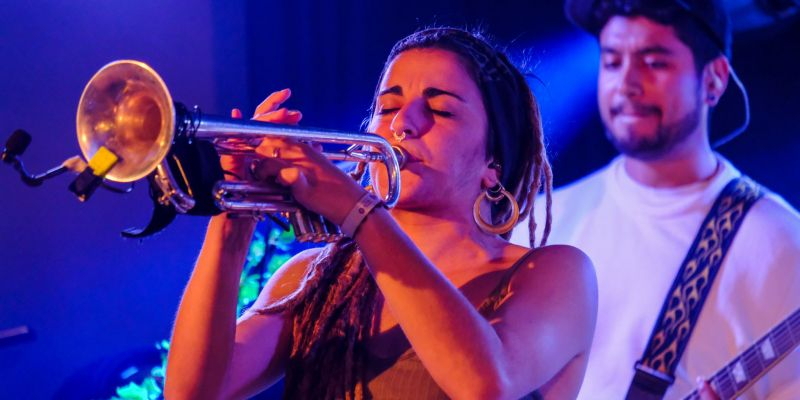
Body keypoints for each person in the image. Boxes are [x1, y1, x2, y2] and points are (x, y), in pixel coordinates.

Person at [164, 27, 597, 400]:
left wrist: (358, 211)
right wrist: (232, 216)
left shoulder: (556, 273)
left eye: (441, 110)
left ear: (492, 165)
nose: (403, 124)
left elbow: (485, 383)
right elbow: (191, 392)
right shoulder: (313, 279)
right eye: (388, 108)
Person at [512, 1, 800, 399]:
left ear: (714, 79)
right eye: (612, 62)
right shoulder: (541, 221)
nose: (627, 82)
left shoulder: (781, 242)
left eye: (654, 62)